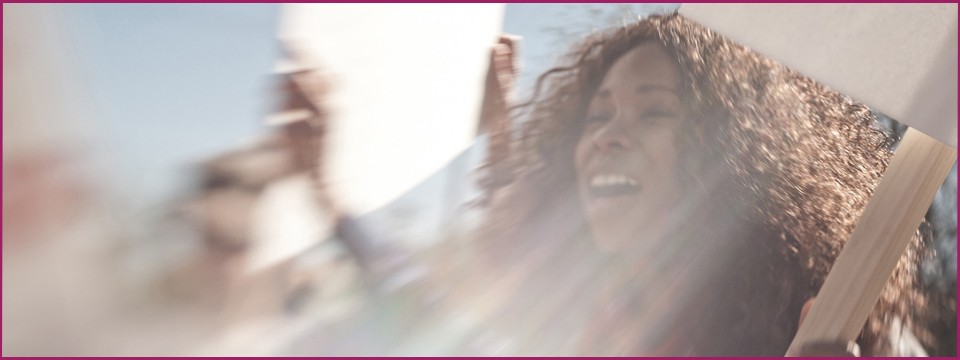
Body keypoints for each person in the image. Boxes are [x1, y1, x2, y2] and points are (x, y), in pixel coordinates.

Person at [468, 13, 936, 356]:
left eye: (652, 112)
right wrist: (496, 130)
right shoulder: (573, 313)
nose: (608, 136)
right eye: (598, 115)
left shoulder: (826, 326)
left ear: (728, 157)